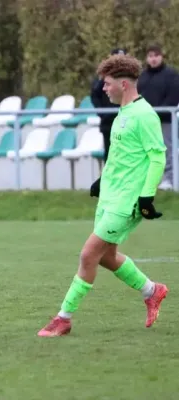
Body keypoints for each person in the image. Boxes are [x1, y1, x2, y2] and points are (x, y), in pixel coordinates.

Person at [38, 54, 168, 337]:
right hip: (111, 196)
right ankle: (152, 290)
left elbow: (157, 159)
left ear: (123, 84)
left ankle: (64, 319)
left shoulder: (145, 115)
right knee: (106, 257)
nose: (104, 89)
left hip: (127, 201)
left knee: (88, 255)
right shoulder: (124, 113)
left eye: (107, 84)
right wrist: (103, 179)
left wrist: (146, 197)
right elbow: (122, 156)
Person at [137, 43, 179, 190]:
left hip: (165, 120)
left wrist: (158, 112)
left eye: (156, 56)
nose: (153, 59)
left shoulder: (171, 75)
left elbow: (174, 97)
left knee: (167, 150)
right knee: (147, 151)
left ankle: (169, 180)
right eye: (150, 56)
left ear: (162, 57)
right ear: (147, 58)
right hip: (146, 122)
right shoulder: (142, 77)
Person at [91, 47, 127, 163]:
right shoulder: (102, 78)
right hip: (108, 123)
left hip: (126, 121)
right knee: (110, 153)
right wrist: (102, 113)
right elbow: (95, 95)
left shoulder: (132, 77)